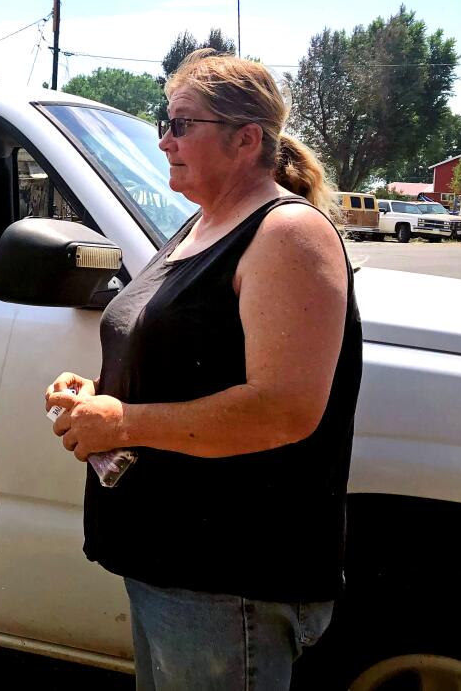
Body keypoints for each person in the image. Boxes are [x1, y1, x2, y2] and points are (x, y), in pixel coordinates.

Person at [46, 51, 361, 690]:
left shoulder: (287, 234)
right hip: (172, 563)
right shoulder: (202, 224)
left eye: (182, 124)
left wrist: (125, 421)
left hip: (229, 576)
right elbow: (191, 358)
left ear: (247, 139)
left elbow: (285, 408)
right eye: (167, 121)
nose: (164, 138)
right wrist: (99, 397)